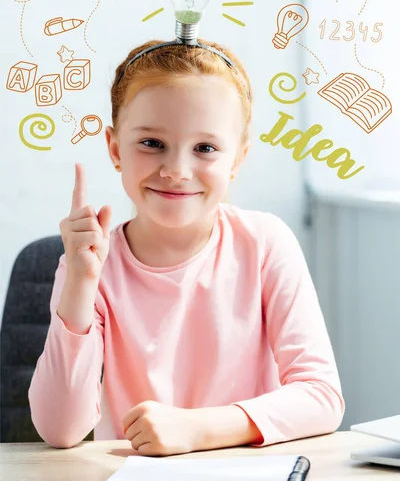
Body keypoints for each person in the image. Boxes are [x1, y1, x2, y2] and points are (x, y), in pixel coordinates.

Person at [28, 38, 345, 456]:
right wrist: (81, 283)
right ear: (114, 147)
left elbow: (322, 396)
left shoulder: (266, 244)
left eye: (206, 149)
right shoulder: (88, 268)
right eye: (152, 143)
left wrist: (197, 429)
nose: (177, 171)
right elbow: (60, 430)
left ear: (237, 160)